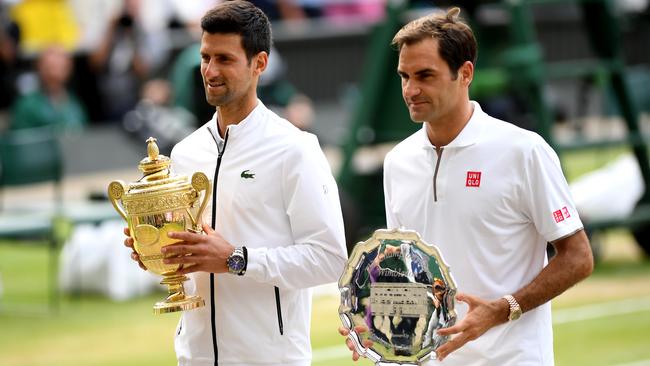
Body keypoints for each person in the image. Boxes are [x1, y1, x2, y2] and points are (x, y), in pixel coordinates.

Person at [340, 7, 593, 365]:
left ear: (465, 73)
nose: (411, 89)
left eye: (425, 75)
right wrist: (374, 325)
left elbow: (578, 257)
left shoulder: (524, 150)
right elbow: (410, 271)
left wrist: (504, 309)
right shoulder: (398, 161)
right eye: (404, 76)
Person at [123, 1, 347, 365]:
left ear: (260, 63)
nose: (210, 70)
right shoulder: (184, 152)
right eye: (205, 57)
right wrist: (155, 250)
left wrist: (236, 259)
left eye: (224, 59)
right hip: (192, 357)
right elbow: (191, 262)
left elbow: (330, 260)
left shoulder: (295, 149)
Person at [9, 45, 87, 131]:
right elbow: (20, 139)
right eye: (49, 67)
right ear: (39, 68)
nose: (53, 73)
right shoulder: (27, 105)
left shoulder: (75, 105)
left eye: (59, 67)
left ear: (69, 69)